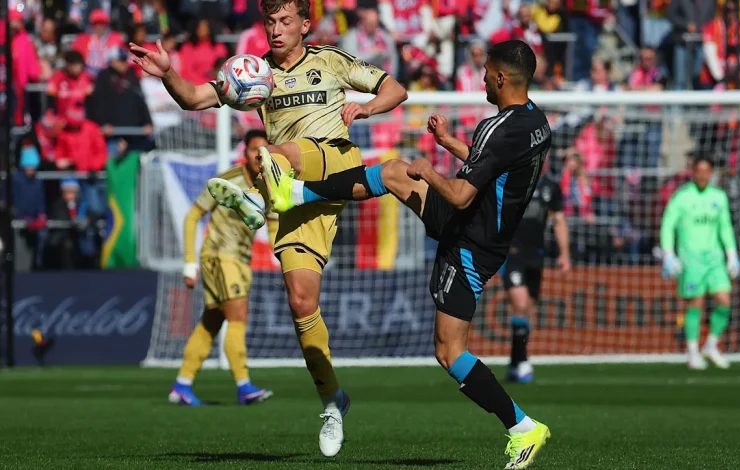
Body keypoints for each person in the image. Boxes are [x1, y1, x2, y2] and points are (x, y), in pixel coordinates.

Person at [212, 39, 552, 469]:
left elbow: (464, 195)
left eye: (486, 72)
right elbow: (492, 164)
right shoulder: (535, 122)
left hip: (469, 238)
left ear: (501, 78)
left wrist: (430, 169)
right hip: (488, 233)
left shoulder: (495, 127)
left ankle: (522, 428)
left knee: (449, 352)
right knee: (392, 171)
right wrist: (448, 143)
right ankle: (292, 194)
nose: (482, 77)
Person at [129, 0, 407, 457]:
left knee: (273, 154)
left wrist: (367, 109)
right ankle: (333, 401)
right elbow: (195, 98)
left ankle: (257, 201)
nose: (275, 30)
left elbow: (396, 89)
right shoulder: (254, 71)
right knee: (301, 301)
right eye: (268, 22)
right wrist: (167, 73)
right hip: (294, 194)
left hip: (334, 162)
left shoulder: (331, 60)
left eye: (284, 21)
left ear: (304, 24)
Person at [169, 130, 275, 406]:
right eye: (254, 149)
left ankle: (182, 384)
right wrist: (189, 263)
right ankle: (244, 386)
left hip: (240, 260)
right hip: (219, 256)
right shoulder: (227, 181)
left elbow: (275, 226)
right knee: (238, 315)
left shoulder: (271, 186)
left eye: (264, 150)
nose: (259, 155)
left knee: (212, 321)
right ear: (245, 153)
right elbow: (193, 216)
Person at [660, 155, 740, 370]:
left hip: (714, 257)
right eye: (699, 171)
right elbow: (668, 224)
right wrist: (668, 254)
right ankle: (693, 351)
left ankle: (711, 345)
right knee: (696, 302)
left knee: (724, 300)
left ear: (711, 172)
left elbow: (725, 227)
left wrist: (732, 254)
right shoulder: (682, 197)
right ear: (693, 172)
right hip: (691, 256)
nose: (703, 175)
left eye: (707, 171)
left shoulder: (719, 197)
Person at [503, 163, 570, 384]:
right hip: (511, 253)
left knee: (528, 311)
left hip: (536, 256)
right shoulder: (509, 183)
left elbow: (558, 221)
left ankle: (515, 362)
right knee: (520, 304)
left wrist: (564, 254)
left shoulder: (550, 187)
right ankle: (523, 363)